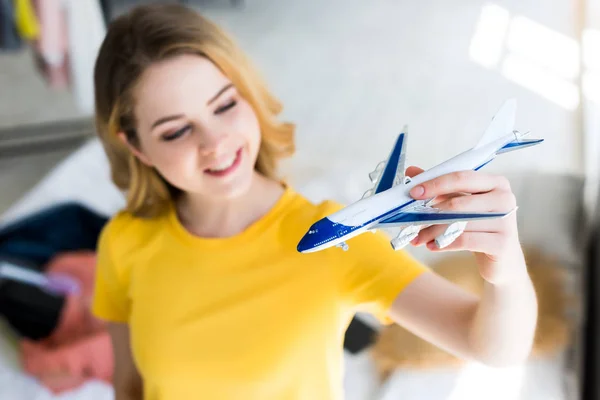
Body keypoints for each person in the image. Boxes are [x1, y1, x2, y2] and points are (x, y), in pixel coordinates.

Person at [90, 4, 538, 400]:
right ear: (137, 148)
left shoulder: (333, 240)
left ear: (247, 94)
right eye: (175, 130)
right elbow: (130, 387)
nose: (215, 142)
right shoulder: (123, 242)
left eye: (224, 105)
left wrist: (505, 266)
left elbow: (494, 349)